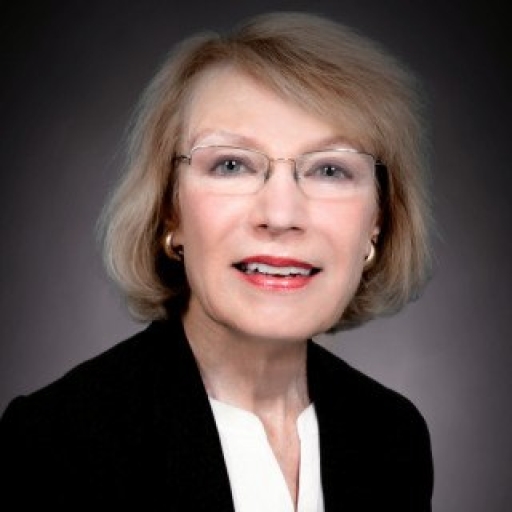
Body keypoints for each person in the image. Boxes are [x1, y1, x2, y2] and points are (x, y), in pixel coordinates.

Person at [0, 11, 434, 511]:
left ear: (377, 222)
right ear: (171, 211)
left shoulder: (392, 437)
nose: (281, 215)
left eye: (330, 170)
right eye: (231, 165)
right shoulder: (56, 443)